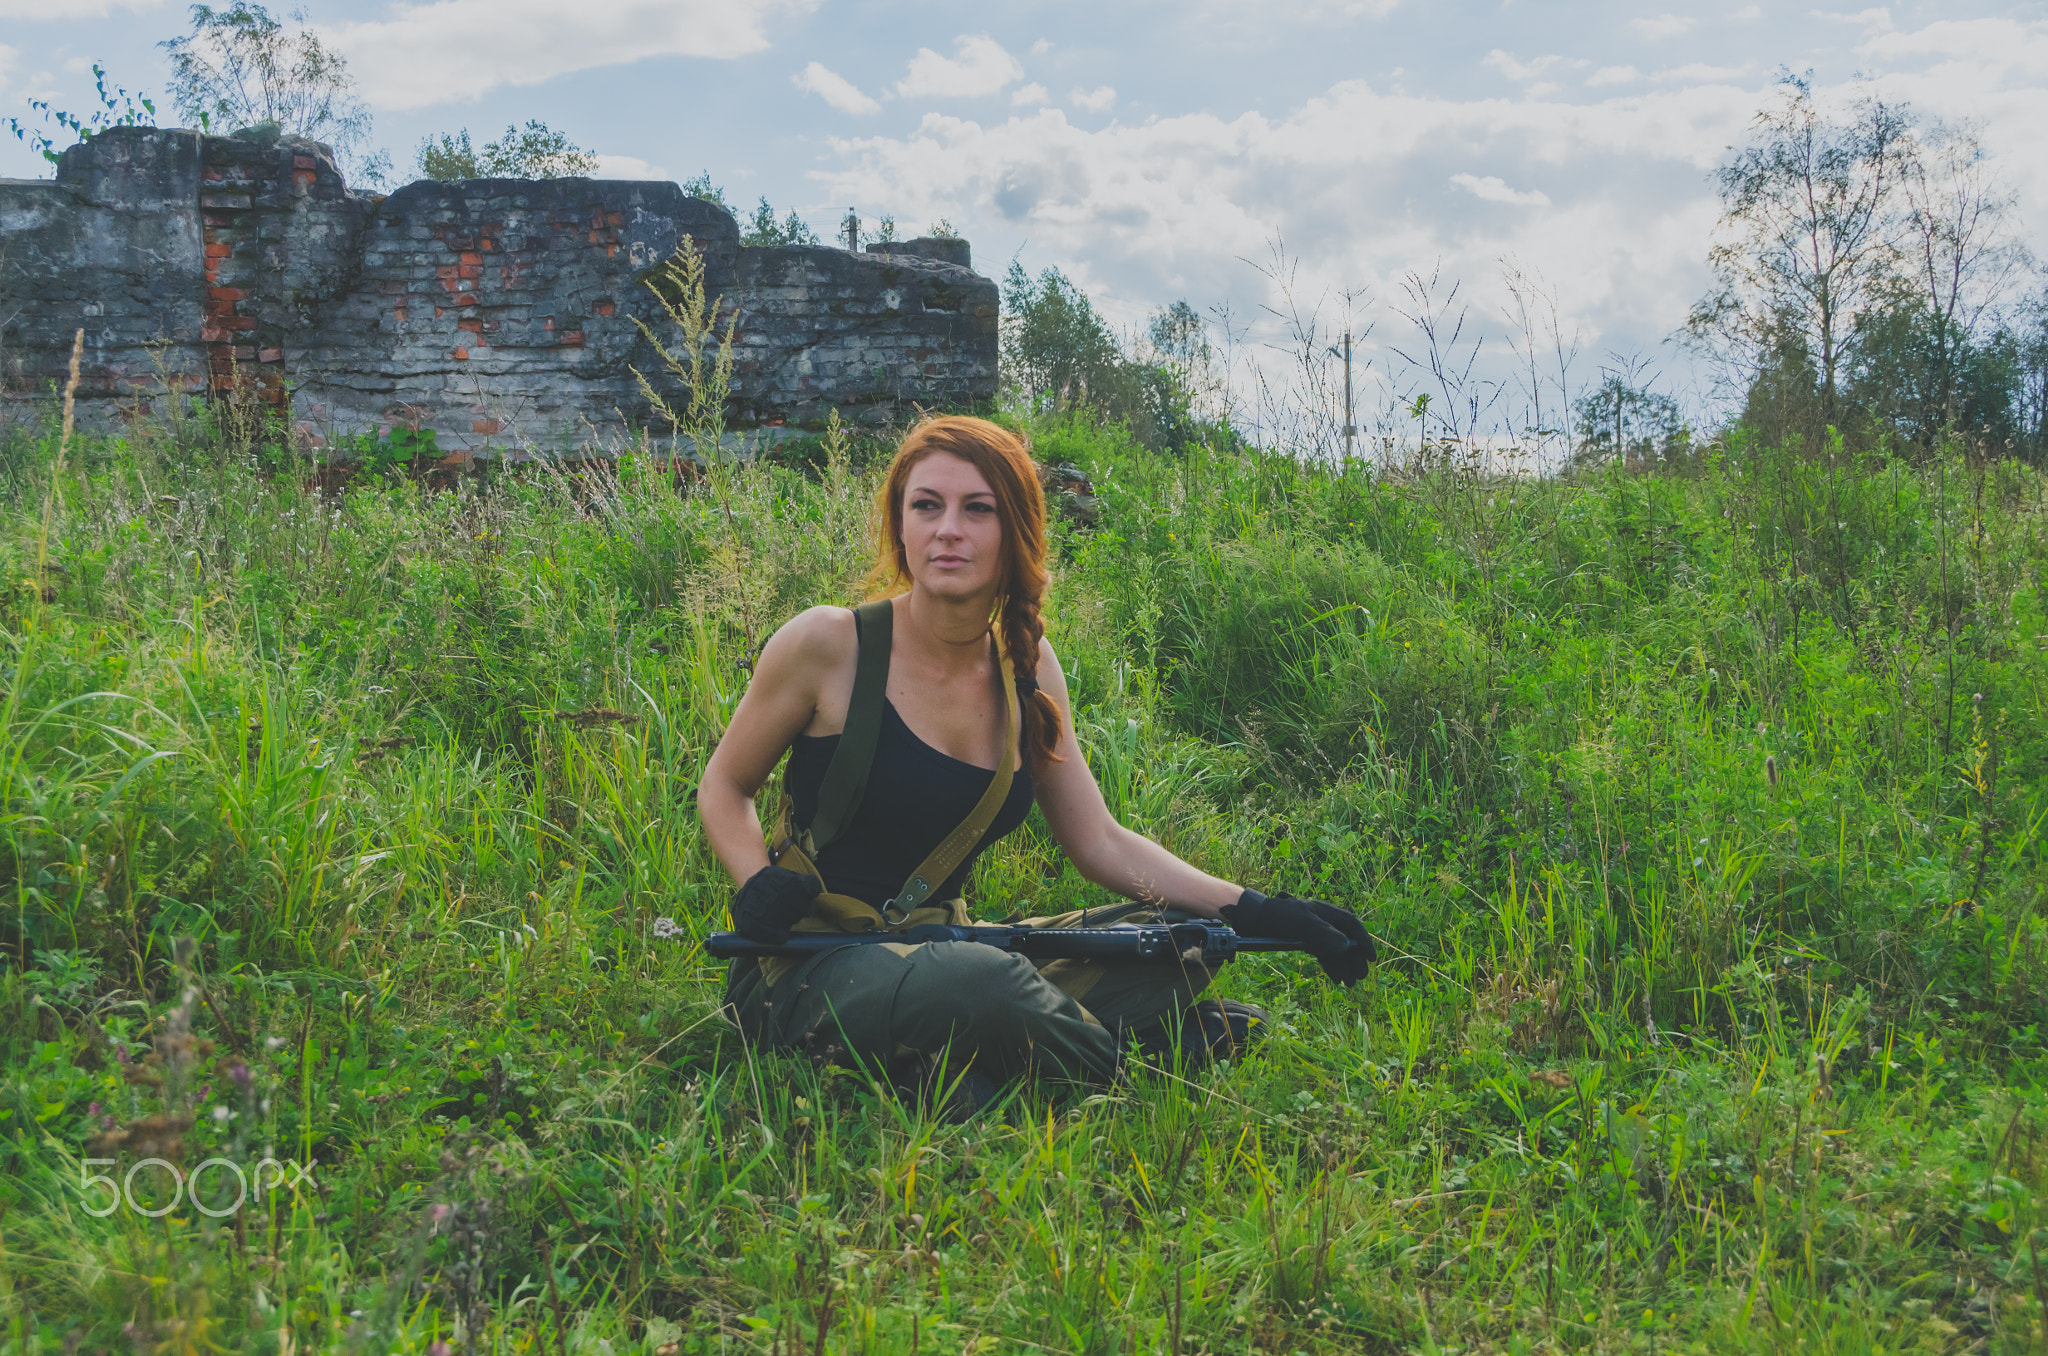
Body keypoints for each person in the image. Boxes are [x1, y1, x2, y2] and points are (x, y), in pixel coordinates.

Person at [697, 415, 1371, 1105]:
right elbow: (725, 785)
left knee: (1180, 944)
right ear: (900, 526)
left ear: (1014, 532)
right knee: (981, 985)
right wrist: (755, 882)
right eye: (926, 505)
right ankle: (1136, 1064)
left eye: (977, 509)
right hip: (806, 966)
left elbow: (1100, 841)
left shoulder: (1028, 667)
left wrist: (1257, 909)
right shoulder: (829, 644)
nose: (947, 528)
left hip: (944, 949)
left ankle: (955, 1069)